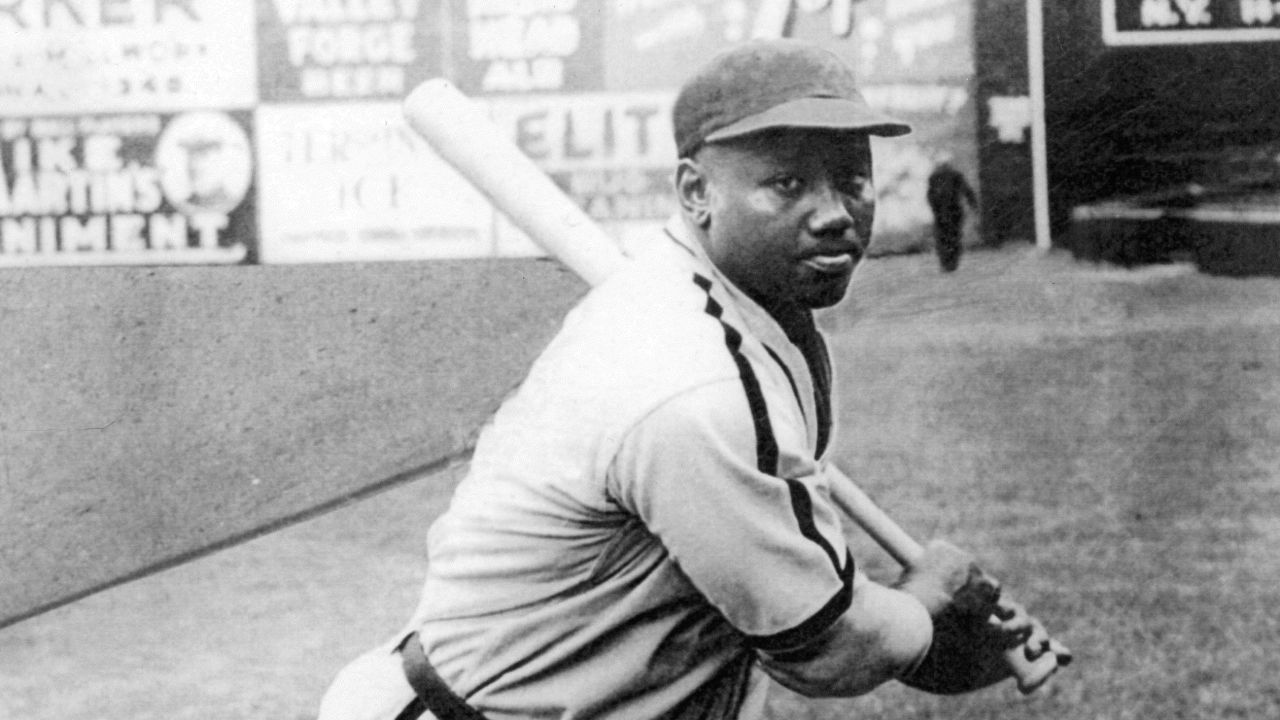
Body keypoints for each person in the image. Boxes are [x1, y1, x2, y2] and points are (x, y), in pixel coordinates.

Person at [318, 39, 1067, 720]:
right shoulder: (691, 381)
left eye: (851, 180)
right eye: (787, 183)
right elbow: (824, 651)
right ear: (695, 192)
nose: (835, 214)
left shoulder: (724, 311)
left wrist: (921, 621)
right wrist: (928, 603)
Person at [926, 158, 978, 272]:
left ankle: (946, 263)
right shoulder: (955, 175)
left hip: (942, 212)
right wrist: (973, 205)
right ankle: (951, 263)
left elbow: (930, 196)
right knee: (954, 237)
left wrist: (934, 209)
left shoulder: (934, 177)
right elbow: (967, 191)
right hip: (953, 211)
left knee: (943, 238)